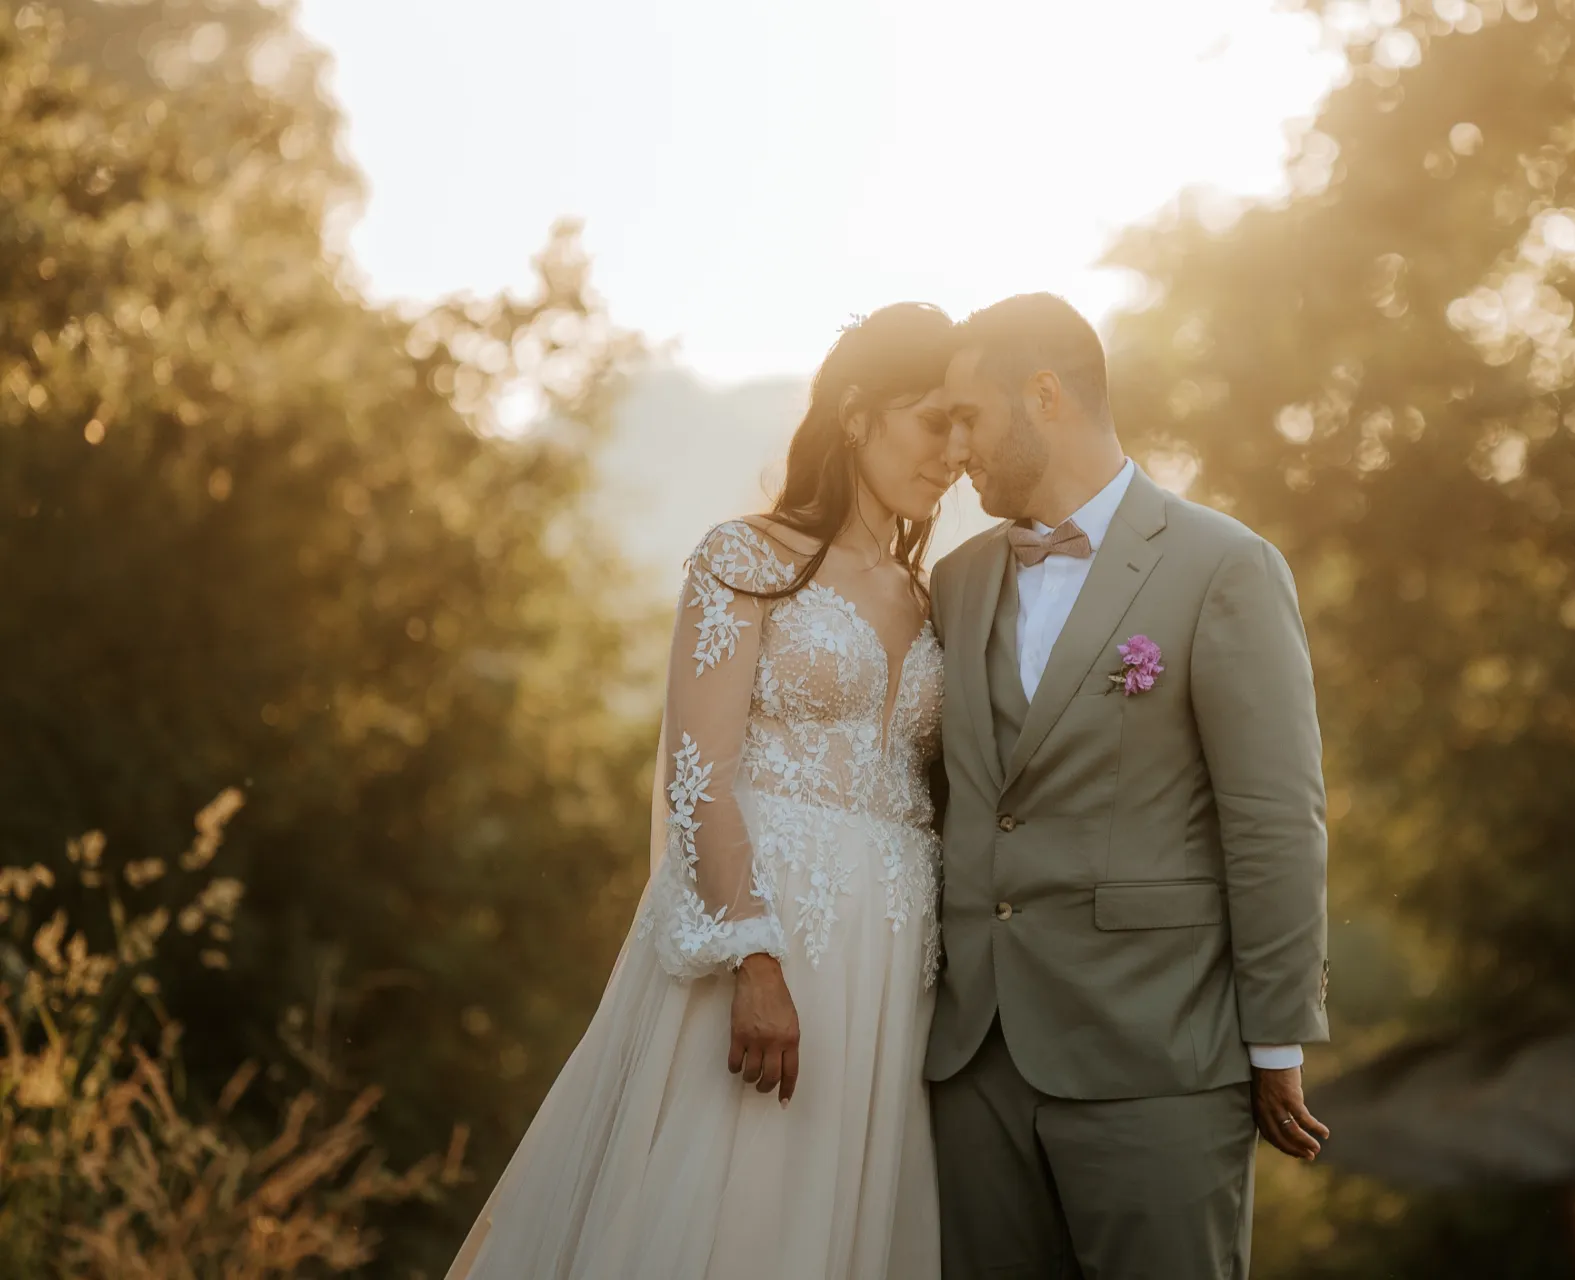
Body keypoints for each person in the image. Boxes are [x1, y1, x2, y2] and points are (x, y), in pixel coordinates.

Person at [445, 302, 959, 1280]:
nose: (953, 455)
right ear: (857, 411)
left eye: (963, 433)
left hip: (894, 960)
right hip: (768, 939)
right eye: (934, 421)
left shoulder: (933, 596)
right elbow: (700, 771)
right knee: (733, 1217)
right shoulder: (745, 560)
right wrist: (752, 956)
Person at [928, 292, 1333, 1279]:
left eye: (967, 416)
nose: (954, 446)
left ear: (1044, 395)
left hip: (1156, 1055)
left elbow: (1275, 817)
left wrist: (1275, 1035)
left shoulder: (1223, 565)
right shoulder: (957, 580)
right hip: (973, 1063)